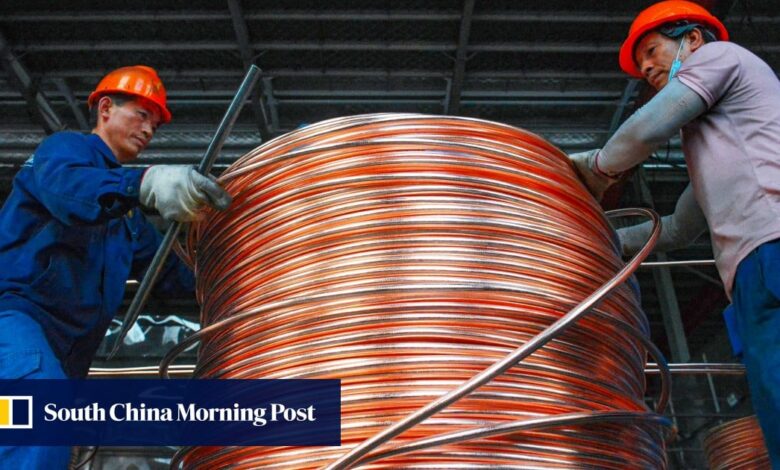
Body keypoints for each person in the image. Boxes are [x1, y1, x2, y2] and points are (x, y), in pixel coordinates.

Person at [570, 0, 780, 464]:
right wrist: (594, 236)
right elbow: (680, 227)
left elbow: (649, 128)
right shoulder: (719, 139)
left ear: (693, 39)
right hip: (751, 275)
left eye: (651, 51)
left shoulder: (721, 57)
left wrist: (597, 168)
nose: (645, 68)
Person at [0, 65, 231, 467]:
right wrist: (141, 184)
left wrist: (238, 277)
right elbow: (70, 191)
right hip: (14, 320)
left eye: (155, 124)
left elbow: (171, 276)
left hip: (68, 353)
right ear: (105, 108)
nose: (149, 129)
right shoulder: (65, 151)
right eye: (142, 114)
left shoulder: (130, 222)